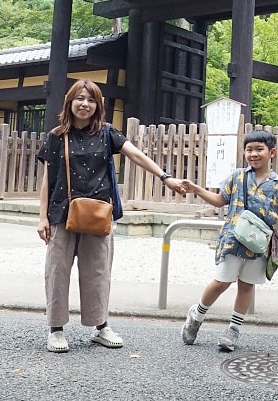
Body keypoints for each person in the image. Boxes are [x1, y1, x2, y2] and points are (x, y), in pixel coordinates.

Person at [37, 79, 185, 353]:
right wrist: (42, 217)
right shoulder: (56, 136)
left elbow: (136, 156)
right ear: (70, 102)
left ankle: (100, 326)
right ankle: (56, 329)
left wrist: (165, 177)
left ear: (98, 105)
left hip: (98, 215)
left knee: (98, 272)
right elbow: (48, 178)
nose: (85, 104)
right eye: (80, 98)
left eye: (91, 100)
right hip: (61, 213)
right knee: (57, 272)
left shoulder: (107, 133)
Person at [180, 129, 278, 351]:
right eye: (249, 149)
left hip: (259, 245)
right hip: (232, 241)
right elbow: (219, 200)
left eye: (259, 149)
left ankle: (233, 331)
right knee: (221, 282)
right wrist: (196, 188)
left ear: (271, 152)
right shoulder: (237, 176)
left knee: (246, 286)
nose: (253, 154)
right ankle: (196, 316)